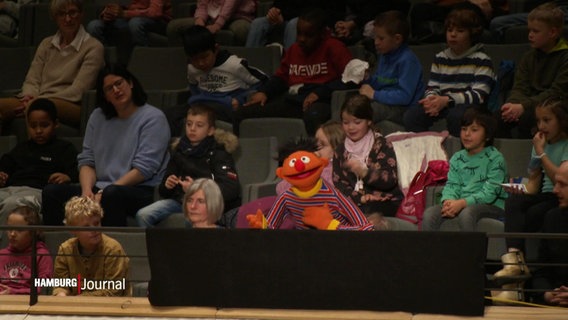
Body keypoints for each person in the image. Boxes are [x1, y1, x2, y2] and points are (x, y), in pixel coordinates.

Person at [41, 64, 171, 227]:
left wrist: (104, 192)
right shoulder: (97, 117)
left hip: (140, 189)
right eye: (109, 88)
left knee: (112, 195)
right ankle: (61, 249)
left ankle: (112, 250)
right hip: (101, 187)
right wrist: (86, 192)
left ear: (130, 83)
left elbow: (144, 170)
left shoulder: (153, 118)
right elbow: (87, 161)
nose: (116, 90)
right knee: (51, 192)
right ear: (105, 96)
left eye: (119, 83)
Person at [237, 7, 354, 136]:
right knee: (242, 113)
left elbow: (351, 79)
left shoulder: (334, 47)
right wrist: (264, 92)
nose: (302, 39)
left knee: (313, 115)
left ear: (321, 34)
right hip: (293, 100)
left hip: (321, 101)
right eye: (299, 34)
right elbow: (281, 78)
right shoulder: (294, 49)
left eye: (309, 35)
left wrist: (319, 93)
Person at [493, 97, 568, 285]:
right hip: (543, 194)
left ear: (561, 120)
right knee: (513, 203)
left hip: (560, 195)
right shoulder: (540, 143)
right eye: (538, 121)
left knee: (536, 213)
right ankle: (515, 260)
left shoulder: (563, 144)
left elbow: (559, 178)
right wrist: (520, 190)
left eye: (547, 120)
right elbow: (534, 185)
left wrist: (541, 152)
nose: (541, 126)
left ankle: (529, 277)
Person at [0, 0, 104, 130]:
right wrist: (29, 97)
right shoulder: (46, 44)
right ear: (55, 17)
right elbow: (32, 80)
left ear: (81, 14)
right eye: (62, 14)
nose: (68, 19)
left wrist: (39, 101)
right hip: (37, 99)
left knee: (37, 108)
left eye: (72, 13)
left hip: (70, 103)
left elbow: (78, 91)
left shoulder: (94, 47)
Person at [136, 104, 240, 228]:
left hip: (208, 205)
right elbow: (163, 191)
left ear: (211, 130)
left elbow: (231, 188)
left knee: (192, 220)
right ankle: (159, 246)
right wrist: (168, 185)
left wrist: (197, 189)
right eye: (189, 124)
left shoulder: (219, 152)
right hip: (180, 201)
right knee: (142, 215)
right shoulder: (179, 150)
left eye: (199, 125)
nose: (192, 129)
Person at [403, 3, 495, 137]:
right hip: (443, 103)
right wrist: (431, 100)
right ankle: (427, 149)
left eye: (460, 31)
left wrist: (447, 100)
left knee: (457, 116)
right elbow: (432, 87)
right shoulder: (440, 57)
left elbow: (479, 95)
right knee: (412, 116)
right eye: (450, 30)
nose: (453, 35)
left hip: (468, 106)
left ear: (472, 34)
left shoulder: (482, 59)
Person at [247, 139, 374, 230]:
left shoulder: (332, 195)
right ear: (281, 173)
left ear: (322, 163)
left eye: (304, 160)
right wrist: (261, 226)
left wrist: (331, 226)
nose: (300, 166)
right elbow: (272, 226)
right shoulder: (286, 197)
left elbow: (366, 228)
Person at [165, 25, 268, 136]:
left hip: (225, 106)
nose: (200, 63)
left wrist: (241, 99)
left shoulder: (234, 65)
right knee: (168, 115)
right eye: (194, 59)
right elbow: (193, 85)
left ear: (216, 49)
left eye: (204, 57)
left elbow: (263, 80)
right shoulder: (192, 68)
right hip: (200, 104)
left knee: (204, 118)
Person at [422, 106, 507, 231]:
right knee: (430, 214)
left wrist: (462, 203)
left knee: (467, 213)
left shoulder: (495, 158)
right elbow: (452, 185)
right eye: (464, 129)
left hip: (491, 205)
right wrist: (449, 201)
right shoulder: (457, 157)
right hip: (460, 203)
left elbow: (489, 194)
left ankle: (469, 250)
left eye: (474, 130)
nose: (467, 134)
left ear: (487, 135)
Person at [0, 98, 78, 231]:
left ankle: (5, 251)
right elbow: (5, 164)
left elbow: (76, 172)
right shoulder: (21, 148)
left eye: (44, 125)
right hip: (11, 188)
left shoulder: (64, 148)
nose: (38, 131)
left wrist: (67, 177)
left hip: (37, 191)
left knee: (12, 205)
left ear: (55, 124)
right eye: (33, 126)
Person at [495, 2, 568, 139]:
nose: (530, 35)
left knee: (529, 117)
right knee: (499, 117)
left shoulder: (565, 58)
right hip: (528, 105)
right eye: (529, 30)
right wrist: (512, 105)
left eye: (535, 31)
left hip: (556, 107)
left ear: (552, 32)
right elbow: (520, 87)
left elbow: (557, 92)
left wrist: (522, 106)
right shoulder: (529, 57)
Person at [333, 94, 403, 217]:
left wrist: (365, 173)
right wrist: (361, 198)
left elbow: (389, 180)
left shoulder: (382, 144)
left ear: (369, 121)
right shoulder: (340, 150)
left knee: (370, 212)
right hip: (355, 202)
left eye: (357, 122)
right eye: (346, 123)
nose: (351, 127)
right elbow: (339, 185)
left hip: (383, 201)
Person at [358, 10, 424, 127]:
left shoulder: (408, 60)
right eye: (375, 37)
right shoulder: (384, 55)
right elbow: (381, 82)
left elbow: (404, 97)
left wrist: (374, 94)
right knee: (353, 104)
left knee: (366, 111)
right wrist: (368, 79)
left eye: (381, 38)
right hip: (385, 102)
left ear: (397, 39)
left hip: (404, 109)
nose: (376, 42)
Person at [52, 196, 130, 296]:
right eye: (86, 226)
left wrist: (77, 300)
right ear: (73, 230)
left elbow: (113, 291)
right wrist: (61, 294)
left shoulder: (113, 249)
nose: (94, 229)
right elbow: (60, 285)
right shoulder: (65, 249)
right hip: (75, 307)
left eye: (96, 223)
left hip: (113, 307)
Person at [529, 161, 568, 307]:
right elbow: (541, 271)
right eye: (555, 184)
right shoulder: (552, 218)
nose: (555, 190)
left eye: (562, 184)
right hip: (555, 305)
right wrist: (546, 294)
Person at [0, 206, 53, 295]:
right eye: (9, 229)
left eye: (19, 230)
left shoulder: (41, 255)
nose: (12, 234)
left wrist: (14, 292)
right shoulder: (2, 254)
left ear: (33, 232)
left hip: (28, 302)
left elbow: (44, 288)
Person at [166, 0, 256, 46]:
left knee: (242, 30)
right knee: (173, 27)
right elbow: (202, 5)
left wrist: (217, 25)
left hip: (237, 16)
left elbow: (230, 5)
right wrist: (199, 21)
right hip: (211, 17)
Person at [85, 0, 172, 47]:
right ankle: (105, 65)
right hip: (126, 20)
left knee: (135, 23)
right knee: (94, 26)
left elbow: (155, 13)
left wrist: (124, 14)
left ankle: (143, 60)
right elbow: (115, 7)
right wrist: (108, 14)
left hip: (157, 22)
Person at [490, 0, 568, 42]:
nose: (530, 35)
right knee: (497, 23)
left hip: (563, 7)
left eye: (534, 31)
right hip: (539, 9)